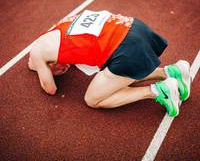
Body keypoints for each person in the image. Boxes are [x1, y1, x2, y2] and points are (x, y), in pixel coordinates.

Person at [28, 10, 191, 117]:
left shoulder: (37, 53)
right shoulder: (59, 27)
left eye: (53, 69)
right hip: (134, 26)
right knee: (119, 76)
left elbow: (50, 89)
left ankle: (157, 91)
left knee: (92, 99)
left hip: (126, 48)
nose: (65, 69)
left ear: (47, 65)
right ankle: (172, 72)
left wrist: (42, 70)